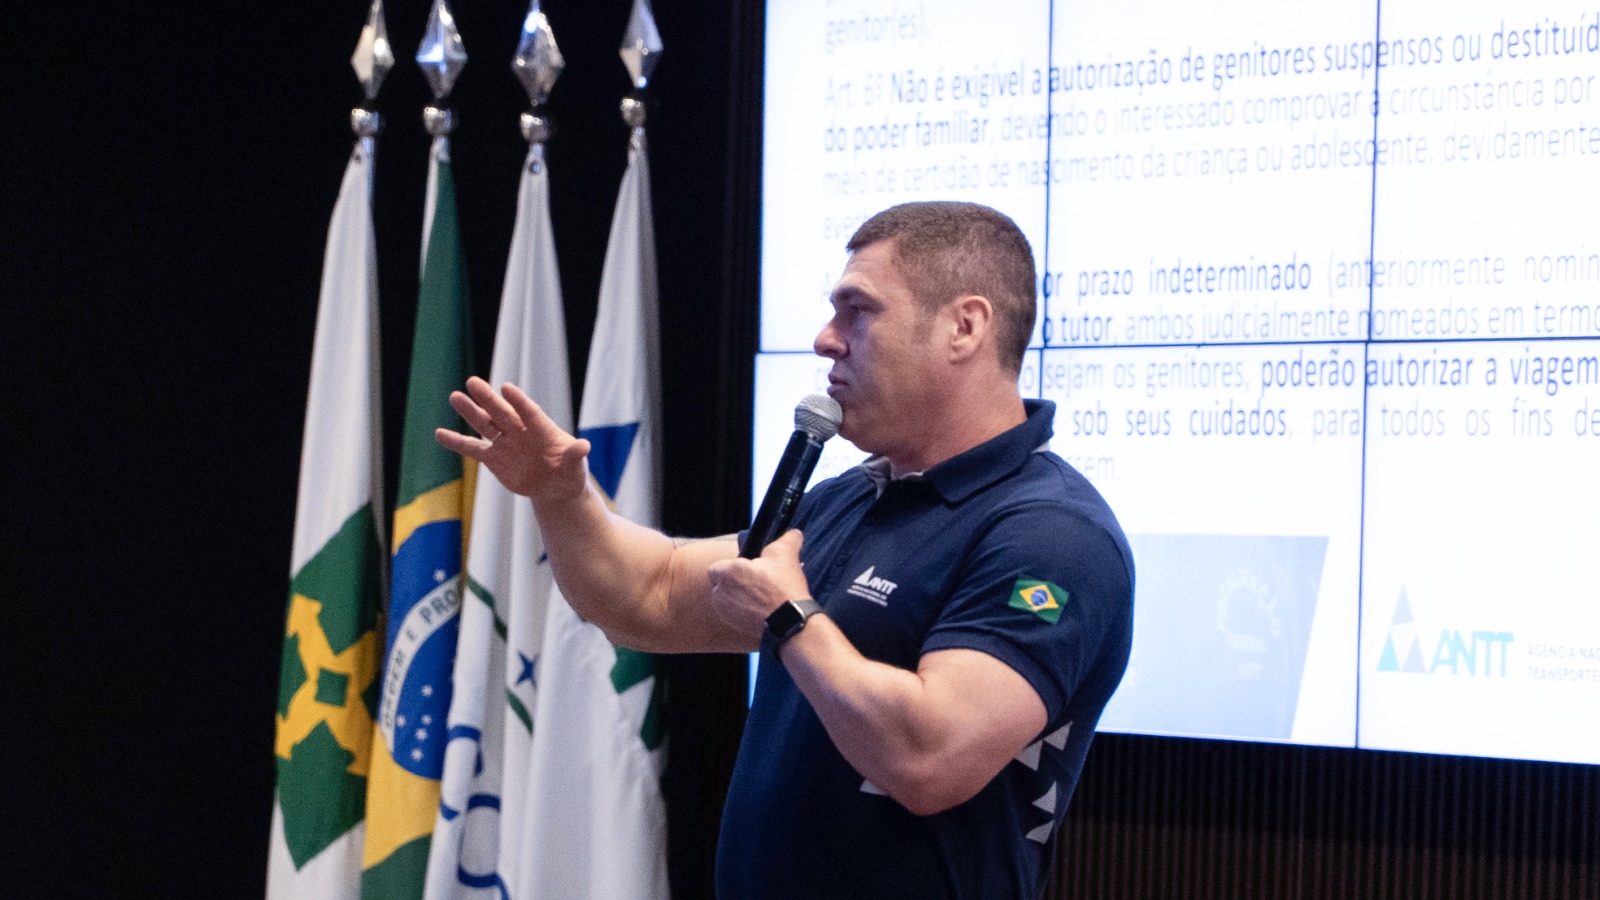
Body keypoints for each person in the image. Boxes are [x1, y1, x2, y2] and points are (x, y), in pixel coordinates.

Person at [436, 201, 1133, 899]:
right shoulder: (852, 499)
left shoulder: (1052, 535)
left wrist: (790, 614)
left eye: (858, 311)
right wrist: (562, 499)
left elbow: (930, 757)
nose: (827, 340)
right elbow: (644, 598)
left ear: (965, 326)